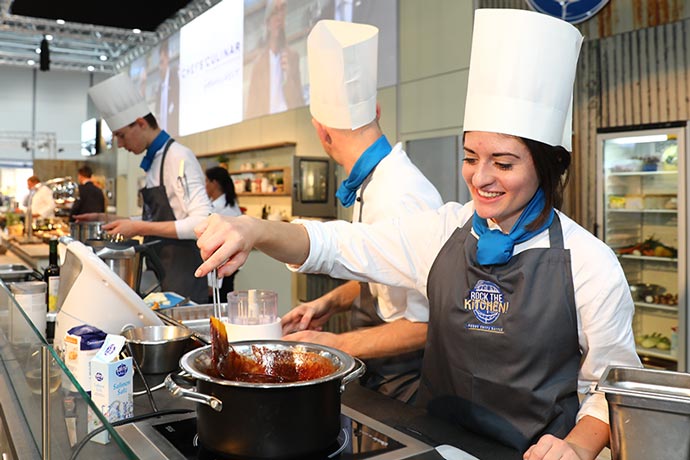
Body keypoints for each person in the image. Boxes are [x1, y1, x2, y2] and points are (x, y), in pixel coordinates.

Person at [194, 9, 642, 459]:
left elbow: (612, 384)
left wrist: (578, 448)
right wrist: (252, 229)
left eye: (503, 163)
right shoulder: (446, 230)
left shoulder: (589, 261)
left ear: (547, 166)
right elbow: (341, 247)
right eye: (469, 156)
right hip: (433, 445)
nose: (480, 177)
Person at [280, 20, 443, 403]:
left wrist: (333, 344)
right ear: (378, 110)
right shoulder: (377, 182)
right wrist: (327, 303)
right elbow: (389, 278)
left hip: (407, 381)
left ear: (322, 134)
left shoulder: (399, 194)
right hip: (380, 373)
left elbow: (428, 322)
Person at [81, 73, 211, 304]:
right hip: (162, 270)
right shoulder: (154, 162)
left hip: (184, 274)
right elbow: (158, 218)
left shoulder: (179, 156)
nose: (120, 145)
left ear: (140, 123)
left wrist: (137, 226)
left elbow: (201, 223)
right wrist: (107, 217)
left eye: (121, 135)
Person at [244, 0, 305, 119]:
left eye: (282, 11)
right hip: (265, 127)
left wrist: (289, 78)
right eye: (275, 13)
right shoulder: (258, 64)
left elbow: (299, 103)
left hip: (290, 121)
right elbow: (251, 110)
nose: (279, 17)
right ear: (267, 23)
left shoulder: (292, 57)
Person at [205, 166, 242, 300]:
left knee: (221, 304)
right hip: (216, 268)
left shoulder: (227, 210)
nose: (205, 186)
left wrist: (212, 282)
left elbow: (223, 248)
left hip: (221, 268)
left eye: (206, 182)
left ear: (214, 183)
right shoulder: (214, 204)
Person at [156, 37, 179, 136]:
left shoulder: (175, 78)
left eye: (162, 62)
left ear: (167, 59)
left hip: (174, 134)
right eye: (159, 64)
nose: (161, 67)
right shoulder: (159, 88)